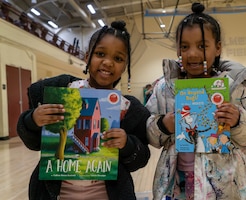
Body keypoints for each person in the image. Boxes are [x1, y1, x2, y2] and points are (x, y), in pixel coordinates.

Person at [146, 3, 246, 200]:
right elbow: (149, 132)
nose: (192, 53)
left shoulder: (236, 86)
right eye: (184, 46)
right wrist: (162, 125)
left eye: (202, 46)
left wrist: (238, 120)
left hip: (228, 185)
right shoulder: (165, 88)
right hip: (178, 184)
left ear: (218, 48)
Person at [17, 20, 151, 200]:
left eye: (118, 58)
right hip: (58, 193)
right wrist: (33, 120)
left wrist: (127, 144)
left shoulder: (129, 108)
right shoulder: (64, 90)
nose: (108, 62)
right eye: (100, 53)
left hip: (107, 194)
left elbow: (140, 158)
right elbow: (32, 142)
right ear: (87, 56)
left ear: (125, 65)